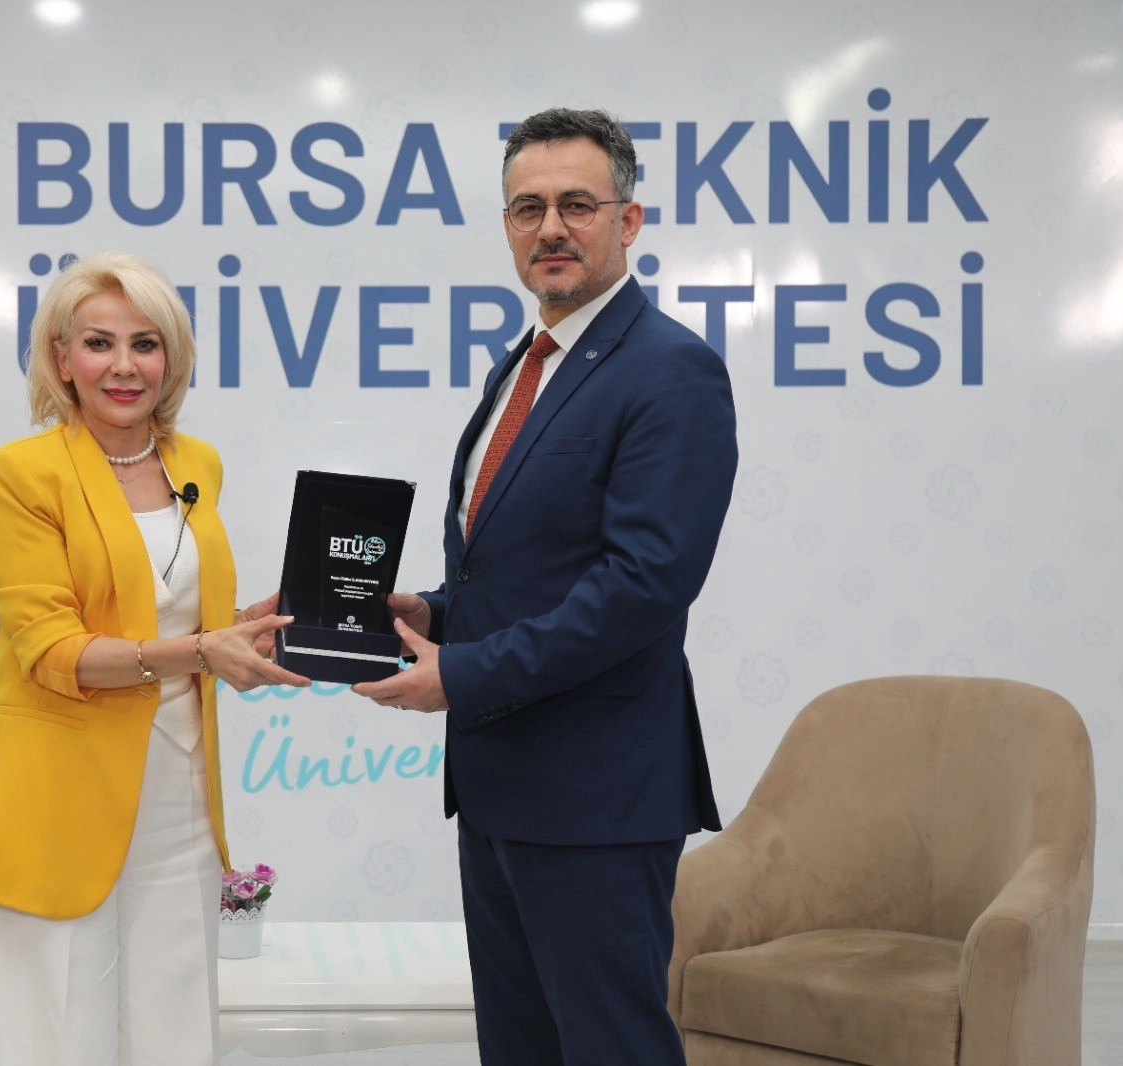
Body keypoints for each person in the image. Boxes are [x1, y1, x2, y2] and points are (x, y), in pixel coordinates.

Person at [353, 108, 738, 1064]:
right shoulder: (522, 368)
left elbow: (643, 584)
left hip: (596, 794)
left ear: (628, 220)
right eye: (528, 208)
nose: (550, 227)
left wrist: (461, 672)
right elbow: (520, 569)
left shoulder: (671, 371)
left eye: (576, 204)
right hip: (499, 785)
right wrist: (430, 612)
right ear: (506, 226)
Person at [0, 251, 308, 1066]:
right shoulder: (20, 474)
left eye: (144, 344)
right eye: (98, 343)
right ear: (60, 358)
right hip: (55, 798)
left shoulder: (196, 463)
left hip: (180, 794)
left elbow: (170, 609)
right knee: (57, 1041)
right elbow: (53, 650)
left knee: (179, 1036)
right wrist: (201, 650)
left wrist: (244, 627)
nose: (122, 366)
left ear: (171, 359)